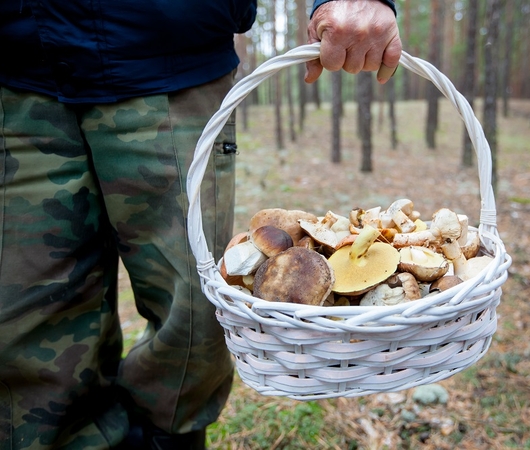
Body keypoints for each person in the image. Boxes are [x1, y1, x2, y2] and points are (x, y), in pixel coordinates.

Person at [0, 0, 401, 449]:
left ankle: (168, 436)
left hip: (170, 58)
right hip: (15, 73)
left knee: (196, 308)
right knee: (23, 318)